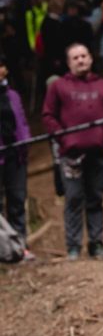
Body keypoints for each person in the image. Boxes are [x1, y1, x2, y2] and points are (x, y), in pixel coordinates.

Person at [42, 43, 103, 260]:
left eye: (84, 56)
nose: (80, 60)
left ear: (91, 58)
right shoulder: (59, 87)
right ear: (69, 63)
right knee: (74, 198)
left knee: (95, 197)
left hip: (98, 152)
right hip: (70, 155)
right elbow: (48, 116)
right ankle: (73, 246)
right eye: (75, 58)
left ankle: (96, 242)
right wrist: (64, 139)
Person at [0, 55, 33, 261]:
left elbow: (21, 120)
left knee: (17, 200)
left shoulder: (12, 95)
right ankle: (5, 250)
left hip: (16, 155)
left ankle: (21, 247)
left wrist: (25, 140)